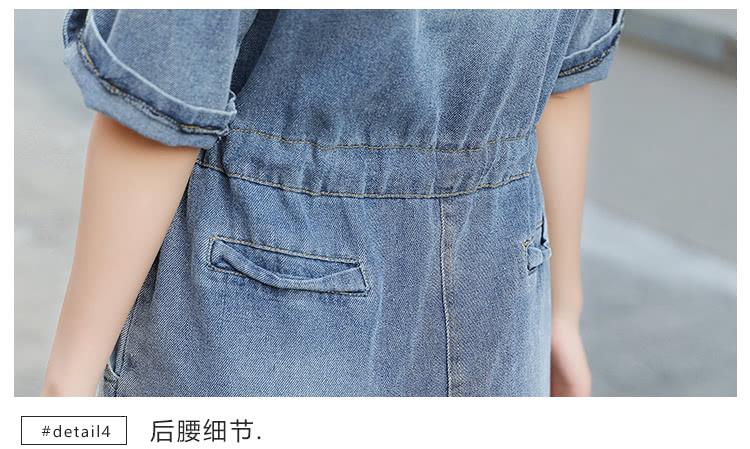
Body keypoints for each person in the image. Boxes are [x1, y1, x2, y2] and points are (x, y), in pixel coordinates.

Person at [43, 9, 624, 396]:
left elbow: (163, 99)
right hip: (502, 291)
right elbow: (568, 77)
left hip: (271, 277)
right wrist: (562, 314)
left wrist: (66, 385)